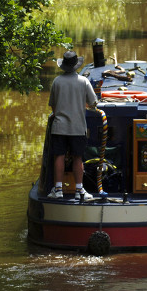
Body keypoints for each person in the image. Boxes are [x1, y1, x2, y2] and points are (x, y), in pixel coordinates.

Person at [47, 50, 98, 201]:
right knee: (78, 158)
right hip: (78, 127)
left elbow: (53, 107)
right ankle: (79, 190)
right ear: (76, 65)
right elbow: (93, 103)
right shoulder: (84, 81)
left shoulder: (57, 81)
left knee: (59, 156)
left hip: (59, 127)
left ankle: (58, 189)